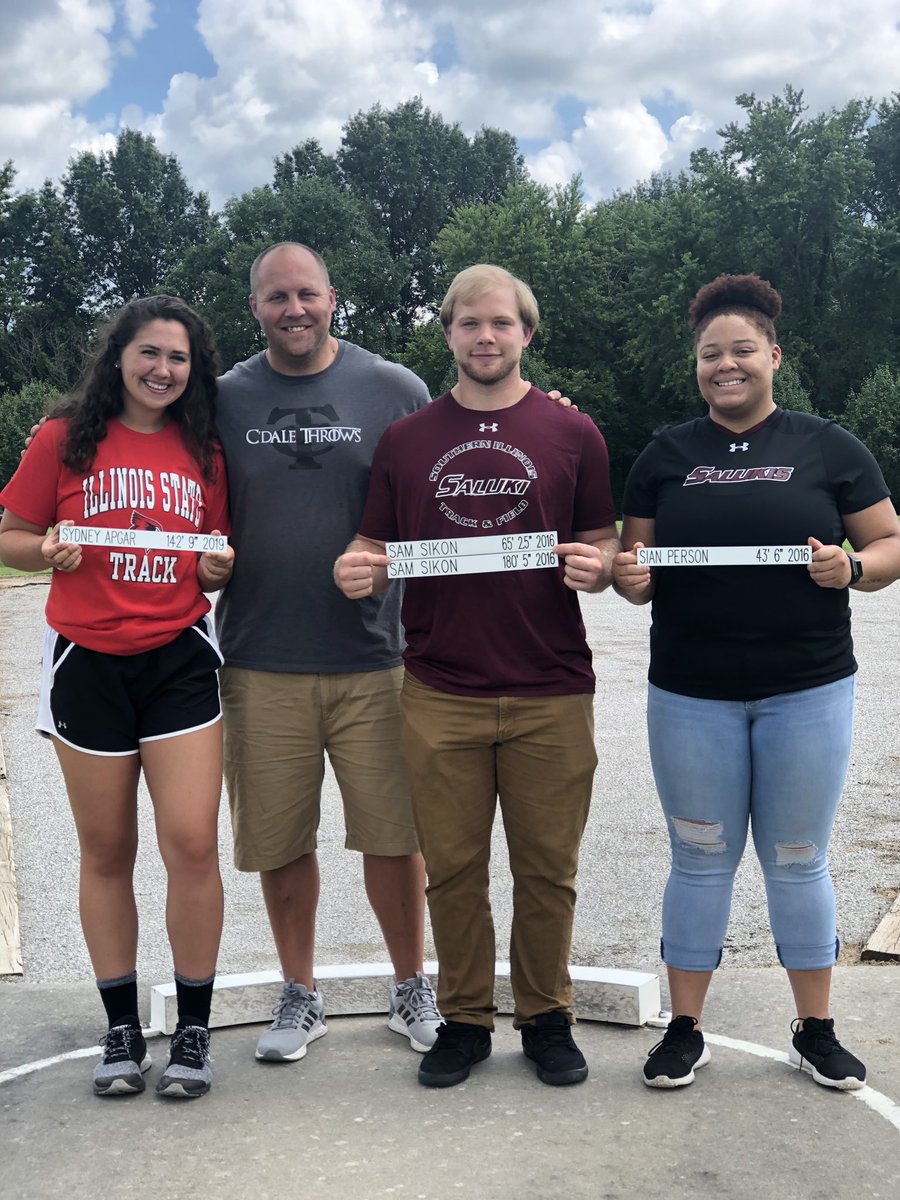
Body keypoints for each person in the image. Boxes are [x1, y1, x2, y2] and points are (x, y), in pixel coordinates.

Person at [612, 273, 900, 1091]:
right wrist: (630, 581)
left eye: (742, 350)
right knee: (699, 858)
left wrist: (850, 566)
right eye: (711, 355)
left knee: (797, 858)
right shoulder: (665, 455)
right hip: (689, 693)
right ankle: (684, 1028)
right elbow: (637, 570)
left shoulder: (829, 446)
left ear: (773, 356)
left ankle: (817, 1028)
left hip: (805, 690)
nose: (726, 365)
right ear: (696, 366)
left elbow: (888, 548)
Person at [334, 264, 620, 1088]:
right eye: (469, 324)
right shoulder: (408, 439)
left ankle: (546, 1016)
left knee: (547, 869)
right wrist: (360, 569)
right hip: (438, 687)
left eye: (501, 323)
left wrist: (593, 567)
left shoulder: (575, 434)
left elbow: (599, 542)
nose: (485, 337)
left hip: (552, 686)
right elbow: (374, 548)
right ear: (449, 334)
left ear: (527, 334)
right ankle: (463, 1019)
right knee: (452, 868)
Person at [0, 295, 234, 1099]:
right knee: (106, 851)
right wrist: (47, 550)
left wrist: (215, 570)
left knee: (192, 843)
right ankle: (121, 1028)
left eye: (178, 358)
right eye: (150, 354)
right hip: (87, 663)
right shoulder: (65, 437)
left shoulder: (203, 447)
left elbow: (217, 550)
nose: (163, 370)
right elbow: (10, 536)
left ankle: (195, 1030)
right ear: (119, 356)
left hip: (176, 656)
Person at [214, 242, 443, 1062]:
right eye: (277, 298)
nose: (293, 310)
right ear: (256, 308)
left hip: (376, 658)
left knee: (394, 835)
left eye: (306, 294)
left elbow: (449, 480)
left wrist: (546, 408)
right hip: (259, 656)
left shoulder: (393, 388)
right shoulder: (223, 397)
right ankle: (299, 992)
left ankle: (411, 984)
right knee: (280, 841)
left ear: (332, 298)